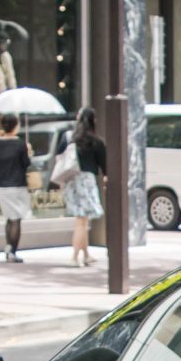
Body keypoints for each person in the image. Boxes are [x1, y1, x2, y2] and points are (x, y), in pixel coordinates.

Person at [55, 107, 111, 267]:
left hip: (71, 180)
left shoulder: (70, 138)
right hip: (86, 181)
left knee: (82, 220)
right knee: (81, 221)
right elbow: (105, 166)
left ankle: (86, 254)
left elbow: (59, 158)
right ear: (93, 121)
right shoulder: (96, 141)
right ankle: (74, 256)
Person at [0, 113, 32, 262]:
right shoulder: (20, 144)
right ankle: (12, 251)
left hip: (2, 187)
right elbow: (25, 165)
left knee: (9, 218)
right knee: (16, 219)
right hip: (17, 186)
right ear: (16, 125)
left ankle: (8, 248)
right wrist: (29, 153)